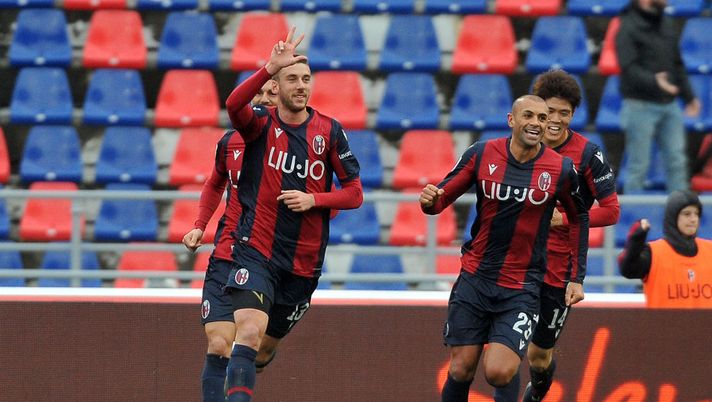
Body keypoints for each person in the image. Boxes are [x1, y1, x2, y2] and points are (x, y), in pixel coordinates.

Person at [222, 27, 363, 402]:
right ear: (278, 85)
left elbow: (355, 194)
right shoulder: (259, 125)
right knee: (248, 331)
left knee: (263, 350)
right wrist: (268, 67)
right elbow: (233, 105)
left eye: (305, 79)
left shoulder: (330, 132)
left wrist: (314, 200)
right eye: (292, 78)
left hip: (303, 264)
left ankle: (237, 381)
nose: (301, 85)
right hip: (257, 252)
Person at [421, 95, 590, 402]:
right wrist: (431, 202)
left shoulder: (560, 169)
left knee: (499, 370)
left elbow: (579, 217)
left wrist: (577, 276)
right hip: (475, 278)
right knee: (461, 368)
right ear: (512, 120)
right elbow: (442, 198)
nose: (537, 123)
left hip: (522, 287)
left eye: (542, 118)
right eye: (530, 116)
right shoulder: (482, 153)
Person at [493, 70, 621, 401]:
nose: (556, 120)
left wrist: (564, 218)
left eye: (565, 113)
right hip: (518, 264)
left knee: (538, 355)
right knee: (508, 346)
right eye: (550, 111)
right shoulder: (516, 149)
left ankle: (538, 389)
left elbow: (611, 210)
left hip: (559, 268)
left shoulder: (588, 154)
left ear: (573, 115)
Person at [181, 81, 279, 402]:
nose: (263, 101)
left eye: (272, 94)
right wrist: (199, 225)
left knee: (253, 343)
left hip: (264, 258)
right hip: (225, 253)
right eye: (258, 95)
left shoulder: (295, 150)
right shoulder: (230, 143)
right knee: (219, 344)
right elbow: (213, 183)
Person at [616, 0, 700, 193]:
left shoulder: (666, 22)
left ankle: (680, 212)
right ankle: (633, 216)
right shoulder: (627, 26)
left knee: (677, 161)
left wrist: (689, 97)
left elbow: (677, 63)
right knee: (638, 165)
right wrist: (655, 81)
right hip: (639, 105)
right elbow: (627, 68)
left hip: (669, 105)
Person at [619, 190, 712, 308]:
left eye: (696, 214)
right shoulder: (654, 253)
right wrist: (636, 240)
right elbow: (628, 269)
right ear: (673, 216)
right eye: (687, 214)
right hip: (664, 326)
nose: (693, 219)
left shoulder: (710, 250)